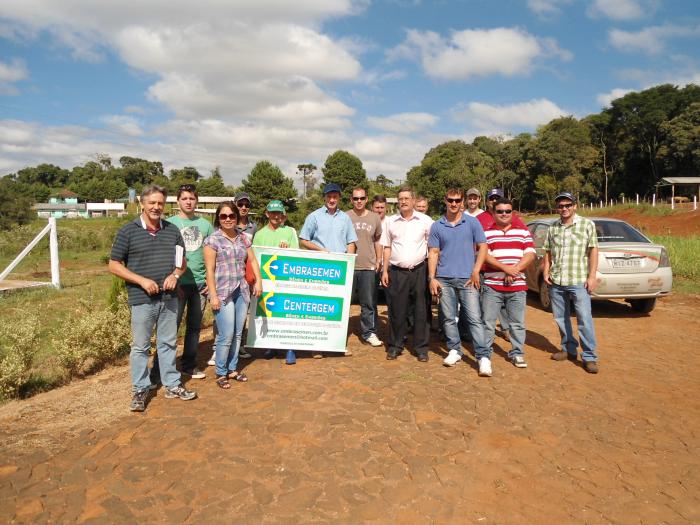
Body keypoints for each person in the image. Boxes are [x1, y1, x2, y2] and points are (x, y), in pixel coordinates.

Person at [109, 185, 196, 412]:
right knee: (141, 347)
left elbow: (182, 262)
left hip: (169, 298)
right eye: (152, 203)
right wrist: (141, 280)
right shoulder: (128, 231)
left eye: (160, 203)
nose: (156, 207)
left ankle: (172, 384)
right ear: (142, 203)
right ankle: (140, 389)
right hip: (142, 299)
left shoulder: (172, 231)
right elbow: (114, 264)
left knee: (167, 343)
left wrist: (175, 274)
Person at [150, 184, 213, 382]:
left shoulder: (206, 225)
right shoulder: (168, 223)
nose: (188, 201)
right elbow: (161, 254)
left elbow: (212, 255)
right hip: (175, 285)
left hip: (199, 284)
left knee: (194, 328)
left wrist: (210, 284)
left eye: (192, 198)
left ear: (197, 201)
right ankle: (157, 372)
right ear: (178, 201)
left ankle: (188, 365)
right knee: (169, 330)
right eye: (184, 198)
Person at [427, 188, 489, 370]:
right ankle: (454, 349)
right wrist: (432, 277)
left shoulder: (472, 223)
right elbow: (433, 252)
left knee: (474, 318)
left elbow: (483, 247)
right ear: (445, 200)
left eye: (457, 200)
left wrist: (476, 271)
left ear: (462, 201)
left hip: (467, 279)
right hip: (444, 278)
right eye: (450, 200)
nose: (454, 204)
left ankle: (483, 356)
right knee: (447, 318)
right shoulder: (437, 225)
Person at [204, 202, 262, 389]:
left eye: (231, 216)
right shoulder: (212, 240)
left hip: (241, 290)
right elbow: (209, 270)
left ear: (237, 217)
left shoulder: (244, 238)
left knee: (238, 334)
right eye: (223, 216)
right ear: (218, 218)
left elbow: (252, 260)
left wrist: (259, 281)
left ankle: (232, 368)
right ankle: (221, 372)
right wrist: (213, 295)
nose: (228, 219)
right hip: (222, 292)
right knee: (226, 334)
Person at [543, 192, 600, 374]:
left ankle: (589, 356)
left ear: (575, 205)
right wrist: (546, 271)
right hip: (557, 280)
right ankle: (568, 349)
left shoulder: (586, 225)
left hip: (579, 280)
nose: (564, 208)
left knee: (584, 318)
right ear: (557, 208)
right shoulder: (553, 227)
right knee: (561, 317)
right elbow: (548, 251)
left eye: (568, 205)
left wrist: (592, 276)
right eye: (561, 206)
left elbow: (593, 251)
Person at [299, 182, 357, 357]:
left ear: (339, 198)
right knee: (320, 307)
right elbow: (303, 239)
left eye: (335, 196)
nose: (332, 199)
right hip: (320, 267)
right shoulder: (314, 216)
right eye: (329, 196)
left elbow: (351, 242)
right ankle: (317, 345)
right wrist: (320, 250)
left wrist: (349, 262)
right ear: (324, 197)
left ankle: (337, 344)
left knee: (339, 307)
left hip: (340, 268)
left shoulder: (345, 218)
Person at [481, 198, 536, 371]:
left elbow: (530, 254)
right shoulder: (486, 233)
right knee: (488, 322)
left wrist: (515, 270)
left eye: (507, 211)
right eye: (500, 211)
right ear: (494, 213)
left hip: (517, 286)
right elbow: (485, 255)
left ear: (512, 213)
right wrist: (506, 268)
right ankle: (485, 354)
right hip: (492, 285)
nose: (504, 214)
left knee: (517, 323)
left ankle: (517, 353)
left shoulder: (523, 232)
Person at [380, 187, 433, 361]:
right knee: (397, 310)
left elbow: (432, 248)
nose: (403, 201)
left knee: (421, 310)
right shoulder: (390, 221)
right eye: (400, 198)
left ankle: (421, 348)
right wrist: (385, 270)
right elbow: (387, 247)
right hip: (396, 272)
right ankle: (395, 345)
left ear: (413, 200)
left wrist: (432, 274)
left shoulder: (425, 221)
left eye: (407, 198)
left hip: (419, 270)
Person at [252, 199, 300, 364]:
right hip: (266, 281)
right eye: (272, 212)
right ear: (267, 214)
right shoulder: (259, 235)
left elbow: (297, 255)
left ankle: (290, 348)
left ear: (283, 215)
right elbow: (254, 259)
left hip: (286, 280)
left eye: (278, 212)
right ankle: (271, 345)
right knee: (270, 313)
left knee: (287, 313)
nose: (275, 216)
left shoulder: (289, 232)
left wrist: (288, 250)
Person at [347, 187, 383, 348]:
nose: (359, 201)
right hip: (349, 266)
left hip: (368, 265)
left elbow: (377, 240)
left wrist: (379, 260)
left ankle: (369, 332)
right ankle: (339, 332)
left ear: (367, 199)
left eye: (362, 198)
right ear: (351, 200)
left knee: (368, 302)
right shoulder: (345, 217)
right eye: (356, 198)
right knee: (345, 302)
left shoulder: (374, 218)